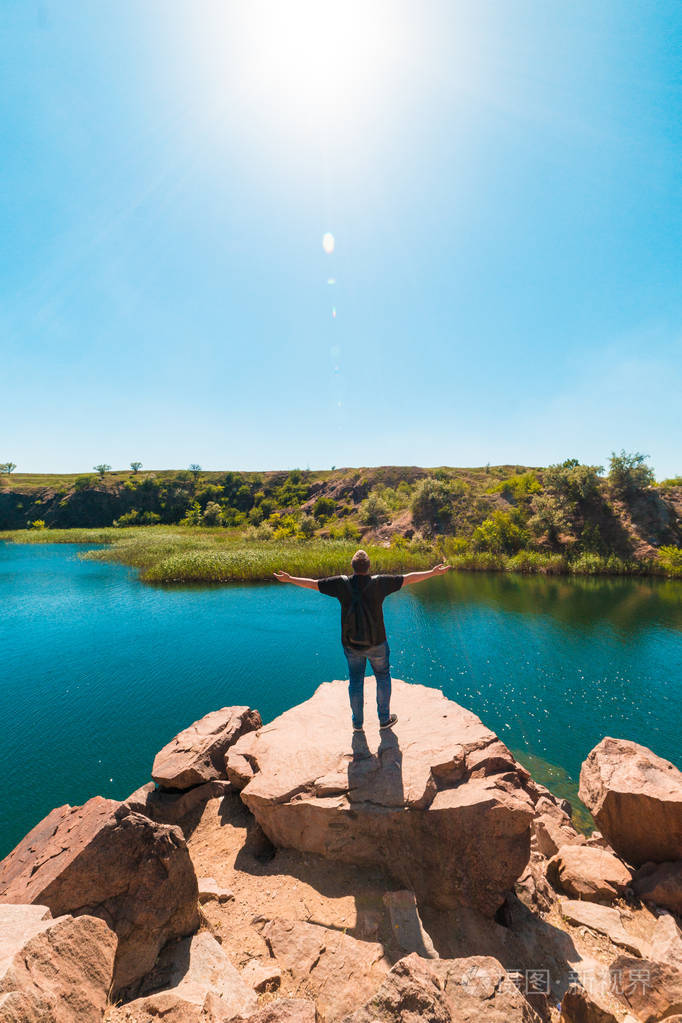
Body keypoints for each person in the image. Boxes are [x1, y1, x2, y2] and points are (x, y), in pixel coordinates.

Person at [274, 550, 451, 732]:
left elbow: (312, 584)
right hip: (377, 643)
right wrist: (433, 572)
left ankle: (357, 724)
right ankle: (384, 719)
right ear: (369, 567)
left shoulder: (340, 583)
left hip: (352, 644)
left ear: (352, 566)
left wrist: (290, 579)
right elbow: (409, 578)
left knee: (356, 681)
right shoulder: (379, 583)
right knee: (382, 678)